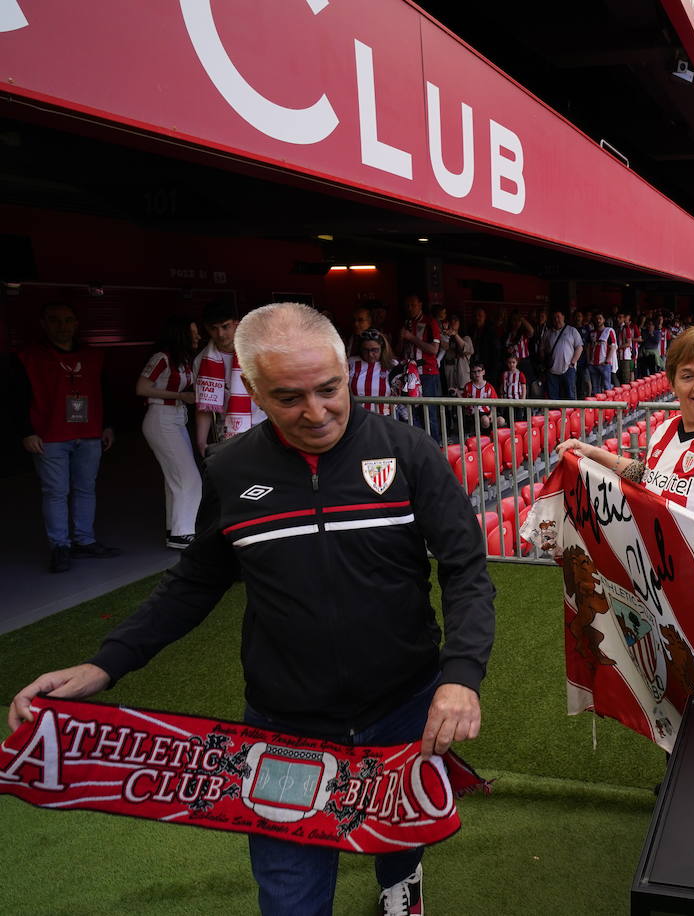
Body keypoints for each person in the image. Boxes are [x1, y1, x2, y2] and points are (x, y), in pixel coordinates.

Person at [8, 302, 496, 915]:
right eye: (290, 397)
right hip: (284, 724)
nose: (316, 413)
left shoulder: (409, 451)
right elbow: (195, 581)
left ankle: (400, 882)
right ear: (253, 390)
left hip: (405, 704)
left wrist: (461, 677)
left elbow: (466, 571)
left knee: (398, 831)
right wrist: (105, 664)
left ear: (347, 373)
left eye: (329, 389)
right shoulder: (232, 468)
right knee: (290, 895)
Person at [556, 325, 694, 654]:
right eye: (687, 375)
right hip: (668, 598)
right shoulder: (665, 431)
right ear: (673, 383)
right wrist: (593, 455)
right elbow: (648, 476)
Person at [13, 302, 120, 573]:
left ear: (76, 323)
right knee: (56, 492)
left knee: (86, 488)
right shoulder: (29, 357)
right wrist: (26, 431)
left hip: (89, 433)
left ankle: (84, 540)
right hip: (50, 436)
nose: (62, 326)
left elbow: (104, 391)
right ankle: (60, 546)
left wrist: (107, 425)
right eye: (55, 320)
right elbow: (15, 399)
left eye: (68, 320)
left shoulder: (94, 356)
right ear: (43, 324)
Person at [136, 315, 202, 549]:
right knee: (189, 477)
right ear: (180, 335)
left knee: (175, 478)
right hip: (161, 419)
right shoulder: (162, 357)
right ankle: (183, 533)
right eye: (193, 333)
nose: (198, 337)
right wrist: (181, 396)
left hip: (176, 418)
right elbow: (142, 388)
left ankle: (175, 529)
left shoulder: (183, 360)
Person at [194, 302, 266, 456]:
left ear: (236, 324)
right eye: (213, 328)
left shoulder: (258, 351)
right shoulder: (201, 361)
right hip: (229, 431)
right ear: (207, 328)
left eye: (225, 326)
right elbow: (204, 406)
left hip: (264, 425)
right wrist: (201, 441)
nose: (220, 334)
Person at [398, 294, 442, 443]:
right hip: (409, 374)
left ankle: (435, 447)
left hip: (427, 373)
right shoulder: (406, 323)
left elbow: (434, 349)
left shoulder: (431, 322)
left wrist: (411, 338)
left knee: (429, 412)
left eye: (413, 304)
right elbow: (400, 349)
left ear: (420, 304)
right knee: (412, 412)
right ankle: (420, 446)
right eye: (407, 305)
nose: (409, 308)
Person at [348, 328, 396, 416]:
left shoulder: (393, 366)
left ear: (382, 347)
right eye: (365, 350)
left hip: (384, 418)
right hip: (358, 418)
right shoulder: (351, 363)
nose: (370, 354)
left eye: (374, 350)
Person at [540, 309, 581, 400]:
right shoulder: (548, 333)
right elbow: (541, 348)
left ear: (563, 317)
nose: (556, 319)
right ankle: (555, 414)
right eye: (554, 318)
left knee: (570, 395)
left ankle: (571, 414)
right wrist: (545, 361)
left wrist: (573, 362)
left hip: (568, 368)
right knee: (553, 398)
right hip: (552, 371)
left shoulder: (572, 330)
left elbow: (579, 347)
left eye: (558, 317)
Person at [461, 362, 500, 434]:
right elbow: (464, 402)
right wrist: (457, 392)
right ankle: (485, 438)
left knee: (501, 420)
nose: (477, 374)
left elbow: (494, 404)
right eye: (474, 372)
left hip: (487, 412)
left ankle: (493, 438)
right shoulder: (468, 386)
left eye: (479, 371)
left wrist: (491, 414)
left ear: (483, 372)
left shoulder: (489, 387)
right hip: (473, 413)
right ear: (471, 373)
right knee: (485, 420)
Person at [588, 313, 617, 395]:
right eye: (597, 318)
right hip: (593, 364)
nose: (598, 320)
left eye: (600, 318)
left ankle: (609, 406)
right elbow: (588, 347)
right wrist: (589, 360)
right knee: (595, 388)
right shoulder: (592, 333)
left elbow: (613, 346)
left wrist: (607, 361)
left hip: (604, 364)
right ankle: (597, 407)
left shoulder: (609, 331)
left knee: (607, 387)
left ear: (604, 320)